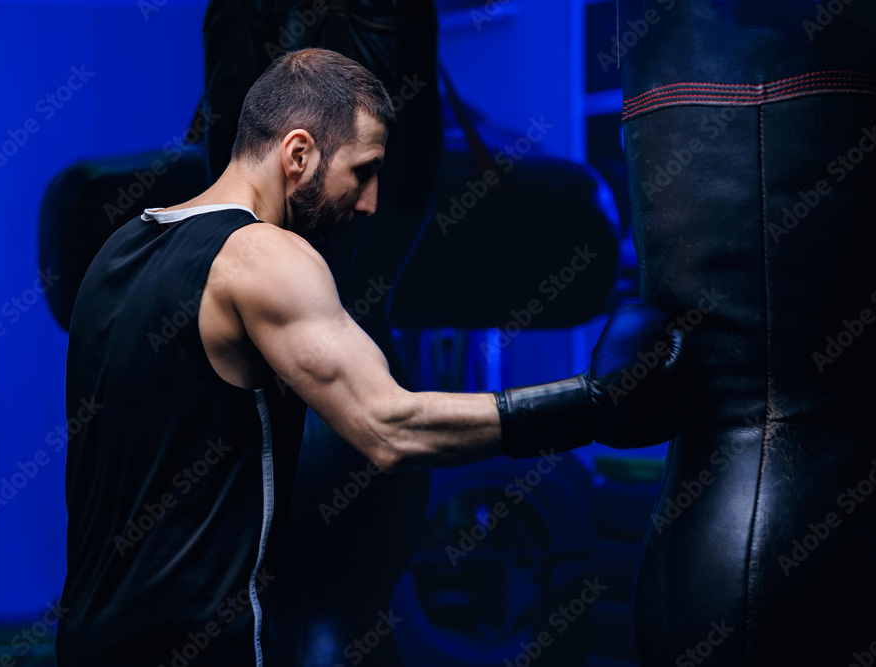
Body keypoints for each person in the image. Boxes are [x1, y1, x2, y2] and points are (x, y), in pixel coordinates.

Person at [55, 48, 683, 667]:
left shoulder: (115, 254)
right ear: (298, 153)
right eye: (363, 170)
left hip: (87, 642)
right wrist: (591, 404)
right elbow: (390, 427)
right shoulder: (264, 255)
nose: (370, 202)